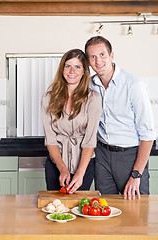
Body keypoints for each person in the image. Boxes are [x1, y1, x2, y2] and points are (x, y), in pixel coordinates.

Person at [85, 36, 156, 200]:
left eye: (102, 54)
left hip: (130, 156)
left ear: (112, 55)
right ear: (88, 62)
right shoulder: (89, 85)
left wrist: (136, 174)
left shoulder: (133, 84)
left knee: (136, 213)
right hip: (102, 154)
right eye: (93, 57)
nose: (98, 61)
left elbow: (148, 134)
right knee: (105, 208)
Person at [41, 48, 101, 194]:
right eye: (68, 66)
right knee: (56, 208)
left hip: (84, 165)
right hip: (56, 165)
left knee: (78, 209)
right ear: (62, 69)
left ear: (84, 72)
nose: (72, 71)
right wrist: (62, 169)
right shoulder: (48, 98)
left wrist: (80, 173)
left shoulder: (93, 98)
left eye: (77, 66)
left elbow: (90, 141)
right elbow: (50, 139)